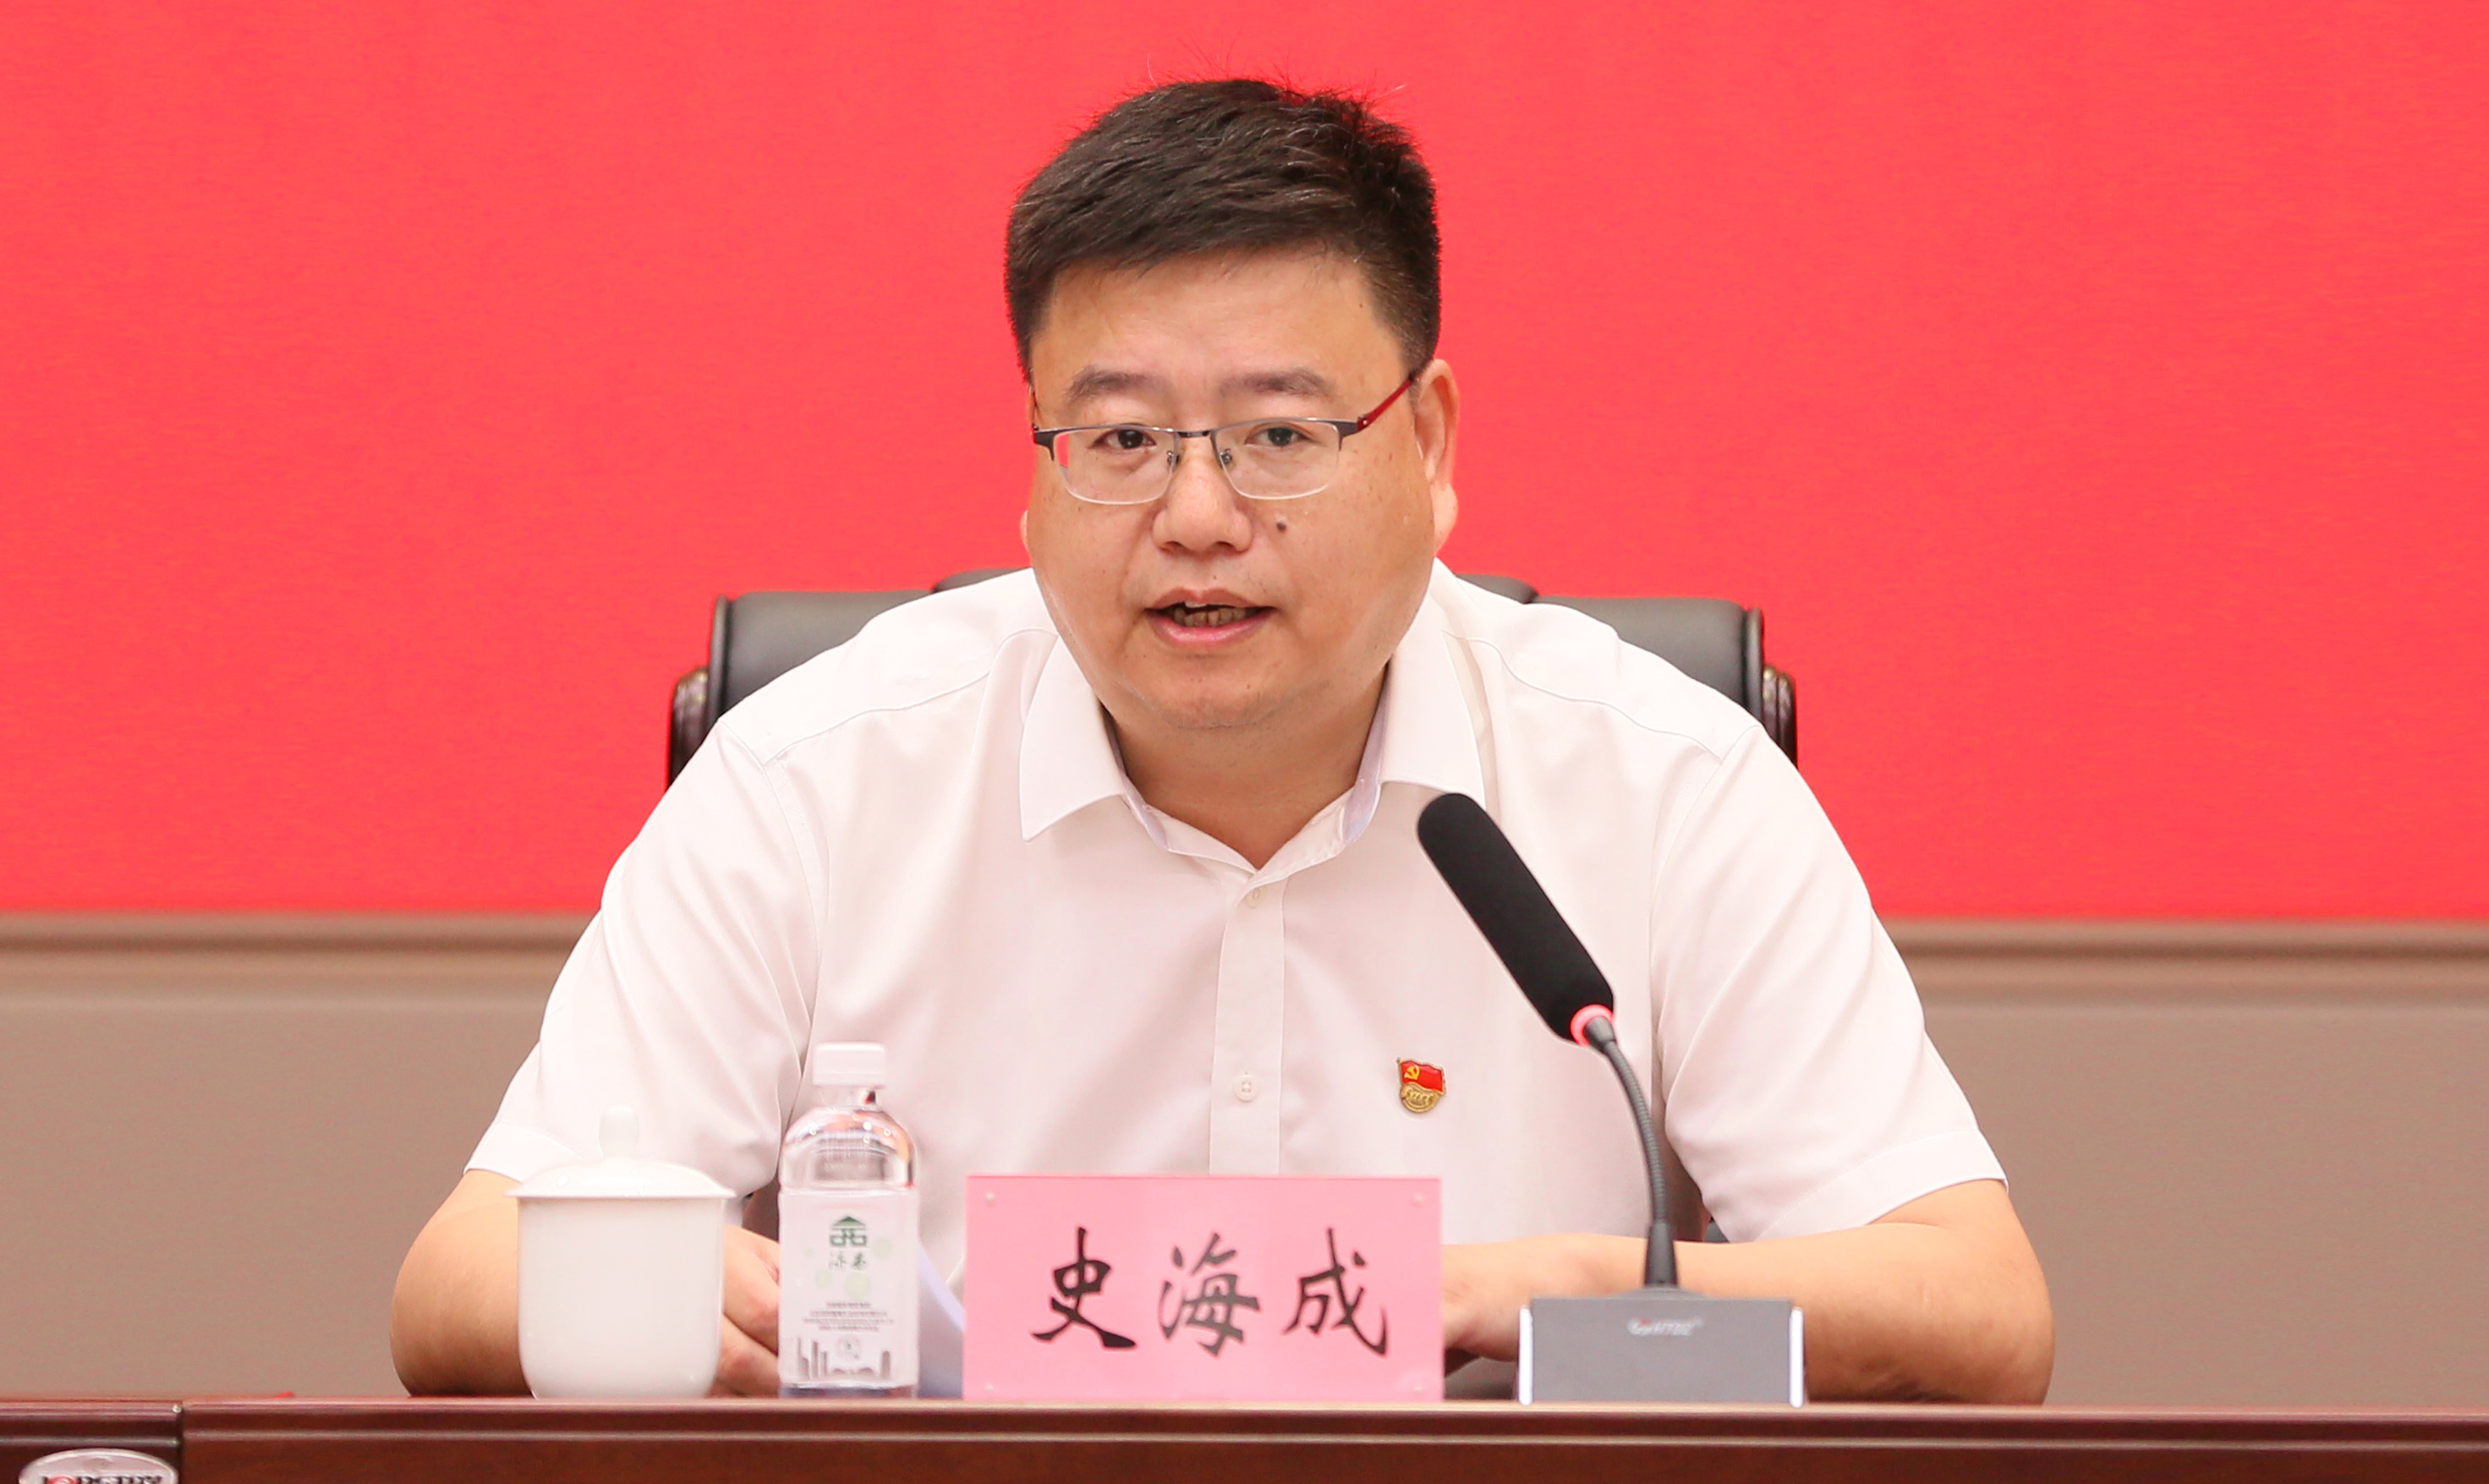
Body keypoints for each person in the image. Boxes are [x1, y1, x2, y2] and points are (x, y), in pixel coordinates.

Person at [392, 79, 2053, 1402]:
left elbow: (1974, 1308)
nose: (1196, 515)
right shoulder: (816, 778)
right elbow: (457, 1281)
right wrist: (693, 1290)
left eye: (1278, 434)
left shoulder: (1660, 783)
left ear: (1431, 444)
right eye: (1119, 438)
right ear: (1036, 459)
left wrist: (1548, 1288)